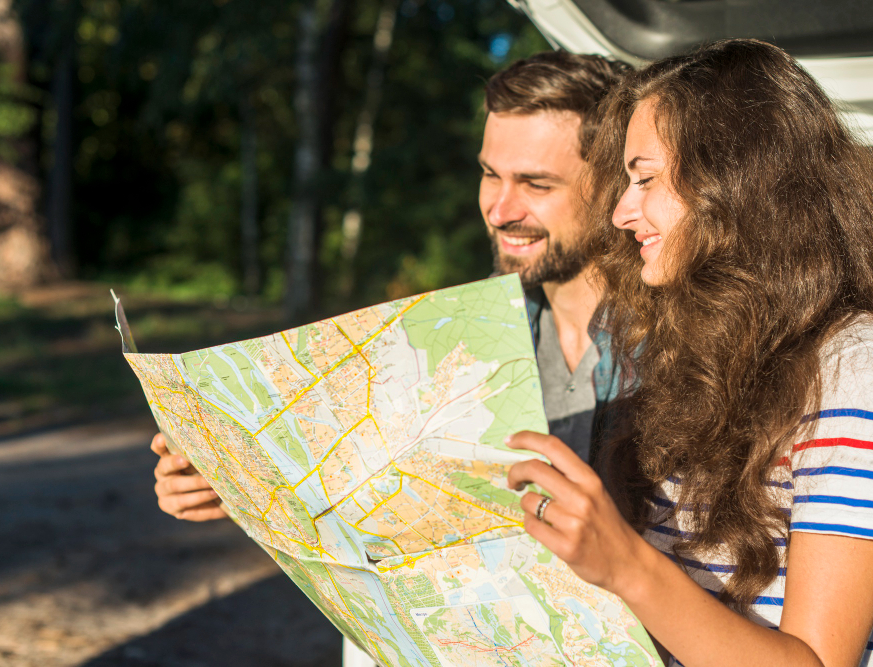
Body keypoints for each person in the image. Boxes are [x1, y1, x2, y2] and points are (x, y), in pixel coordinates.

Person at [148, 51, 631, 665]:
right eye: (490, 174)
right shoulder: (466, 339)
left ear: (617, 186)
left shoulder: (686, 346)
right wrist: (237, 480)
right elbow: (386, 507)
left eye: (536, 184)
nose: (500, 209)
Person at [506, 39, 873, 667]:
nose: (620, 212)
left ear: (736, 182)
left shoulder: (862, 371)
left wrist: (627, 565)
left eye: (644, 178)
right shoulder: (709, 360)